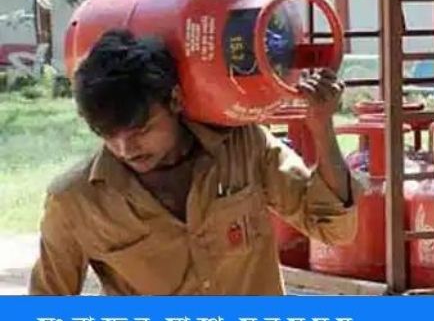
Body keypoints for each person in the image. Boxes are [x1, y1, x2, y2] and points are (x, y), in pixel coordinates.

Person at [29, 29, 363, 296]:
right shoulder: (75, 201)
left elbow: (333, 228)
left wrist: (321, 126)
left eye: (141, 130)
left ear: (174, 100)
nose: (125, 148)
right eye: (107, 135)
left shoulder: (243, 147)